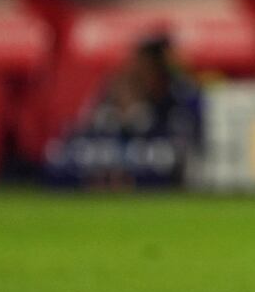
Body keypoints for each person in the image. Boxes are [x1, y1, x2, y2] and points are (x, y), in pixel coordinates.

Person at [44, 34, 201, 189]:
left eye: (149, 64)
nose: (142, 70)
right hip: (119, 158)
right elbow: (85, 137)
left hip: (159, 168)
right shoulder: (114, 89)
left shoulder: (179, 96)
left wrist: (137, 117)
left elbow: (175, 152)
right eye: (140, 63)